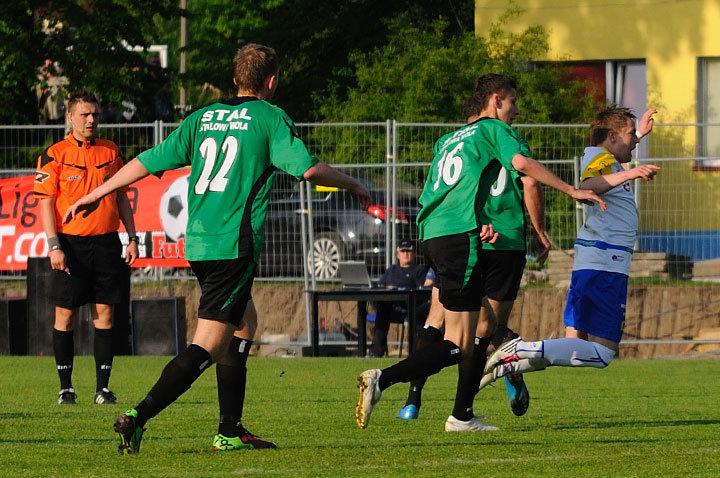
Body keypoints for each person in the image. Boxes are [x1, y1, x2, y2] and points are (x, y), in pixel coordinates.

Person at [64, 43, 371, 455]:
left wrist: (95, 193)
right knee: (208, 344)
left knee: (245, 323)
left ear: (234, 79)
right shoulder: (269, 117)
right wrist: (354, 185)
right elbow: (308, 169)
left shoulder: (202, 117)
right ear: (271, 81)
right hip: (233, 245)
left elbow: (147, 161)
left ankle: (230, 429)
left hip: (200, 242)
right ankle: (137, 417)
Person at [355, 73, 606, 431]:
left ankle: (460, 413)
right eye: (513, 102)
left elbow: (440, 190)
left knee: (478, 328)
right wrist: (571, 191)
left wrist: (471, 223)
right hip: (467, 237)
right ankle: (385, 380)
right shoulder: (494, 130)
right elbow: (522, 168)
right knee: (462, 342)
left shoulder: (448, 139)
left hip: (436, 234)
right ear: (496, 100)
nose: (516, 110)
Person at [480, 106, 660, 388]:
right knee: (602, 353)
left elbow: (613, 161)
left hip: (598, 260)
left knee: (574, 344)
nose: (636, 141)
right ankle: (517, 350)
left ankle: (510, 363)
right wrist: (632, 173)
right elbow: (588, 183)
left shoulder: (607, 157)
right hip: (605, 263)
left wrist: (638, 134)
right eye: (630, 134)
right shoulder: (600, 157)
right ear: (612, 136)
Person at [396, 167, 550, 420]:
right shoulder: (508, 143)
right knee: (491, 328)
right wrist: (539, 231)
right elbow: (531, 183)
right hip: (504, 243)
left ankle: (411, 402)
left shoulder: (458, 144)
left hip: (463, 238)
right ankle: (469, 406)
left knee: (436, 321)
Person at [34, 90, 139, 406]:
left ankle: (102, 389)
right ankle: (65, 388)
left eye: (95, 114)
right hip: (70, 245)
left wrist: (132, 237)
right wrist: (54, 246)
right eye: (84, 114)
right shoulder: (54, 154)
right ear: (69, 116)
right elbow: (45, 204)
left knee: (104, 315)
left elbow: (121, 196)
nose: (91, 119)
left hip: (107, 243)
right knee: (65, 315)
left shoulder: (110, 151)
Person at [370, 240, 431, 357]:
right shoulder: (391, 270)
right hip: (391, 308)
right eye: (403, 251)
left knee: (385, 310)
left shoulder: (419, 270)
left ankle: (414, 353)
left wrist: (400, 288)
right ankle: (376, 353)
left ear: (414, 254)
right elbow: (380, 286)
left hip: (411, 309)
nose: (406, 253)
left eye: (409, 251)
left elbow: (421, 293)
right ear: (397, 254)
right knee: (382, 309)